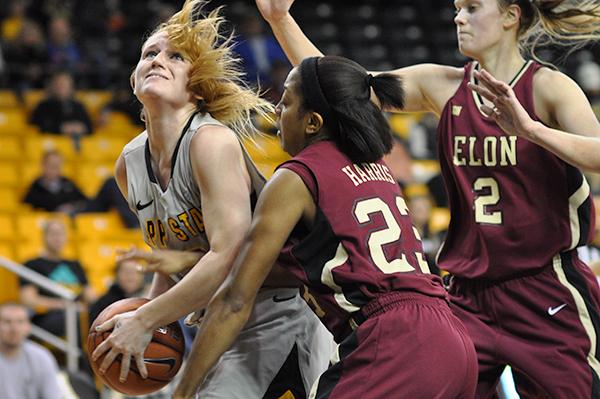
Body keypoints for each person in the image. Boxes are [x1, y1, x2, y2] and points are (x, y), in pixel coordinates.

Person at [256, 0, 600, 397]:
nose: (458, 17)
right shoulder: (442, 84)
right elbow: (341, 89)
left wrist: (531, 130)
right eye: (457, 8)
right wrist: (280, 19)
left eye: (472, 8)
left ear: (510, 16)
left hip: (545, 288)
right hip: (467, 294)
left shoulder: (547, 87)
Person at [137, 55, 478, 398]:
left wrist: (182, 393)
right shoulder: (375, 166)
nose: (276, 113)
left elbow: (236, 300)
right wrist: (189, 263)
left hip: (393, 342)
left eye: (285, 103)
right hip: (451, 340)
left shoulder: (296, 177)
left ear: (313, 122)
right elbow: (291, 269)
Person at [90, 1, 332, 398]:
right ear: (133, 79)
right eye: (149, 53)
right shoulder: (128, 165)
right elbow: (170, 259)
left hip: (276, 310)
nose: (157, 60)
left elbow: (225, 257)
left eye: (175, 56)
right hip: (219, 324)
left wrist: (144, 320)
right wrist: (151, 324)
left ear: (197, 86)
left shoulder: (211, 141)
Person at [20, 218, 97, 337]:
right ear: (44, 236)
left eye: (61, 234)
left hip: (76, 313)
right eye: (53, 234)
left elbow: (90, 296)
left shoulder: (75, 264)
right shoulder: (32, 264)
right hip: (48, 316)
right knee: (73, 319)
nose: (57, 238)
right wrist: (66, 306)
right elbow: (28, 299)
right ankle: (81, 356)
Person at [0, 302, 63, 399]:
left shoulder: (41, 357)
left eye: (20, 322)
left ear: (28, 327)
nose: (14, 328)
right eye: (7, 322)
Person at [29, 70, 92, 139]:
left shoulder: (78, 106)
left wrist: (81, 128)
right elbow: (37, 127)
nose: (62, 88)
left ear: (71, 87)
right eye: (59, 84)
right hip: (51, 144)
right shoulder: (43, 106)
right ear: (53, 86)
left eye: (65, 85)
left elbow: (89, 127)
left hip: (78, 144)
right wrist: (61, 128)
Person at [23, 149, 87, 214]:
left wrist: (72, 206)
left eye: (58, 166)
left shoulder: (68, 183)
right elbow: (29, 207)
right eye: (52, 165)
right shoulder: (36, 186)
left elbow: (84, 201)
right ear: (43, 165)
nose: (55, 169)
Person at [88, 258, 146, 325]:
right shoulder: (103, 305)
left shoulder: (149, 300)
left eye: (136, 271)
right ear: (116, 275)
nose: (130, 276)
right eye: (126, 272)